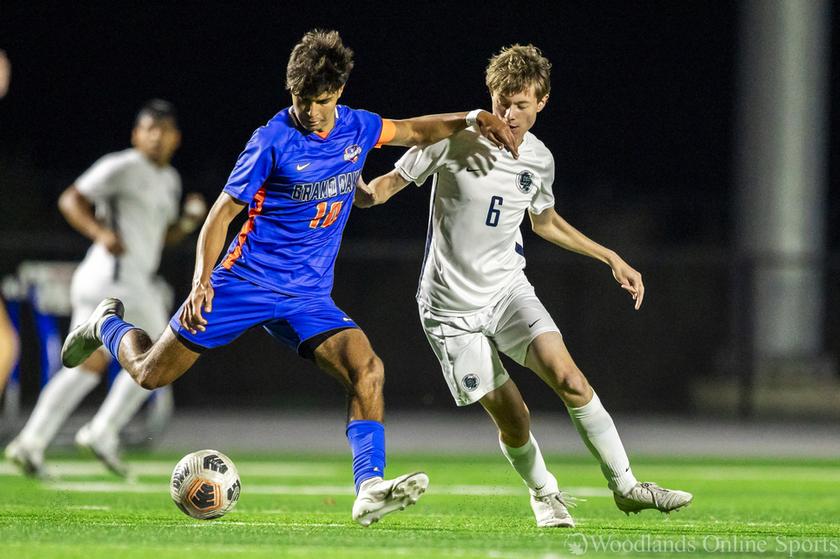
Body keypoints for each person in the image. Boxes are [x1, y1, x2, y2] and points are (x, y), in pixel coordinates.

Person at [60, 30, 517, 526]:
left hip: (307, 296)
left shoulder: (358, 127)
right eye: (302, 100)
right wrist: (202, 281)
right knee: (149, 374)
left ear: (338, 93)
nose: (311, 111)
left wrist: (471, 118)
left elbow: (414, 130)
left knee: (368, 370)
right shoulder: (272, 138)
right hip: (245, 282)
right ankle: (106, 323)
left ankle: (368, 487)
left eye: (321, 101)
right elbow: (220, 216)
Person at [355, 44, 693, 528]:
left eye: (521, 104)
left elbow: (545, 222)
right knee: (515, 418)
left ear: (542, 103)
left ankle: (627, 486)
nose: (509, 114)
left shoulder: (539, 160)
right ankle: (544, 492)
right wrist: (353, 186)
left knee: (570, 378)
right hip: (449, 311)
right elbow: (383, 189)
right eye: (501, 102)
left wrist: (610, 256)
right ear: (490, 98)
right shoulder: (453, 138)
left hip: (508, 292)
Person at [5, 99, 207, 477]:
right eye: (150, 128)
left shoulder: (169, 180)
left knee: (86, 367)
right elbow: (71, 199)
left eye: (164, 130)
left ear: (176, 138)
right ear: (136, 134)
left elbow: (161, 238)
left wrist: (188, 222)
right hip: (111, 277)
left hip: (129, 280)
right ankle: (102, 431)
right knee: (164, 350)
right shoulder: (122, 165)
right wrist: (101, 233)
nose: (157, 136)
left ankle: (30, 442)